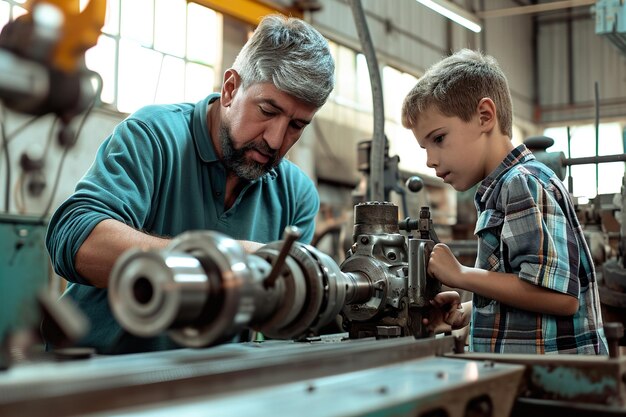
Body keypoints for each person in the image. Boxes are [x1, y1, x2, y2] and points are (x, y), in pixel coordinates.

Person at [45, 14, 335, 354]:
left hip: (210, 384)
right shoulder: (152, 136)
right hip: (102, 372)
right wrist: (227, 259)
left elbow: (283, 317)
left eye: (296, 126)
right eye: (268, 111)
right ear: (230, 89)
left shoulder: (296, 195)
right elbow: (75, 241)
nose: (275, 140)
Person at [401, 49, 608, 355]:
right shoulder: (499, 191)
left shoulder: (521, 182)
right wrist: (471, 311)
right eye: (424, 147)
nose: (431, 160)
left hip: (559, 383)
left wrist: (462, 275)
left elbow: (561, 297)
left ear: (485, 116)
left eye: (439, 139)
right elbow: (526, 291)